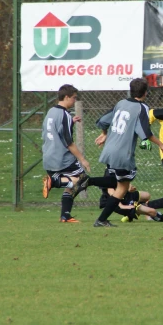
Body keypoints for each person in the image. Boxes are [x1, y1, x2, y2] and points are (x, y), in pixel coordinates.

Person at [92, 78, 163, 227]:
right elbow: (145, 132)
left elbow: (103, 121)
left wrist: (105, 133)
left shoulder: (120, 103)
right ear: (146, 92)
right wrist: (161, 145)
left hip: (109, 150)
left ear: (130, 90)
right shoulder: (142, 108)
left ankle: (99, 213)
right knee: (122, 188)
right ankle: (89, 185)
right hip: (122, 153)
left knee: (117, 183)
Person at [41, 84, 96, 223]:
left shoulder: (51, 112)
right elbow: (68, 142)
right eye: (73, 98)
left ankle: (65, 216)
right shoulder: (64, 114)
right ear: (66, 97)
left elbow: (55, 129)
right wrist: (83, 159)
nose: (74, 101)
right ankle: (53, 181)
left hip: (48, 155)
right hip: (61, 157)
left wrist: (70, 122)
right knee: (82, 179)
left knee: (72, 185)